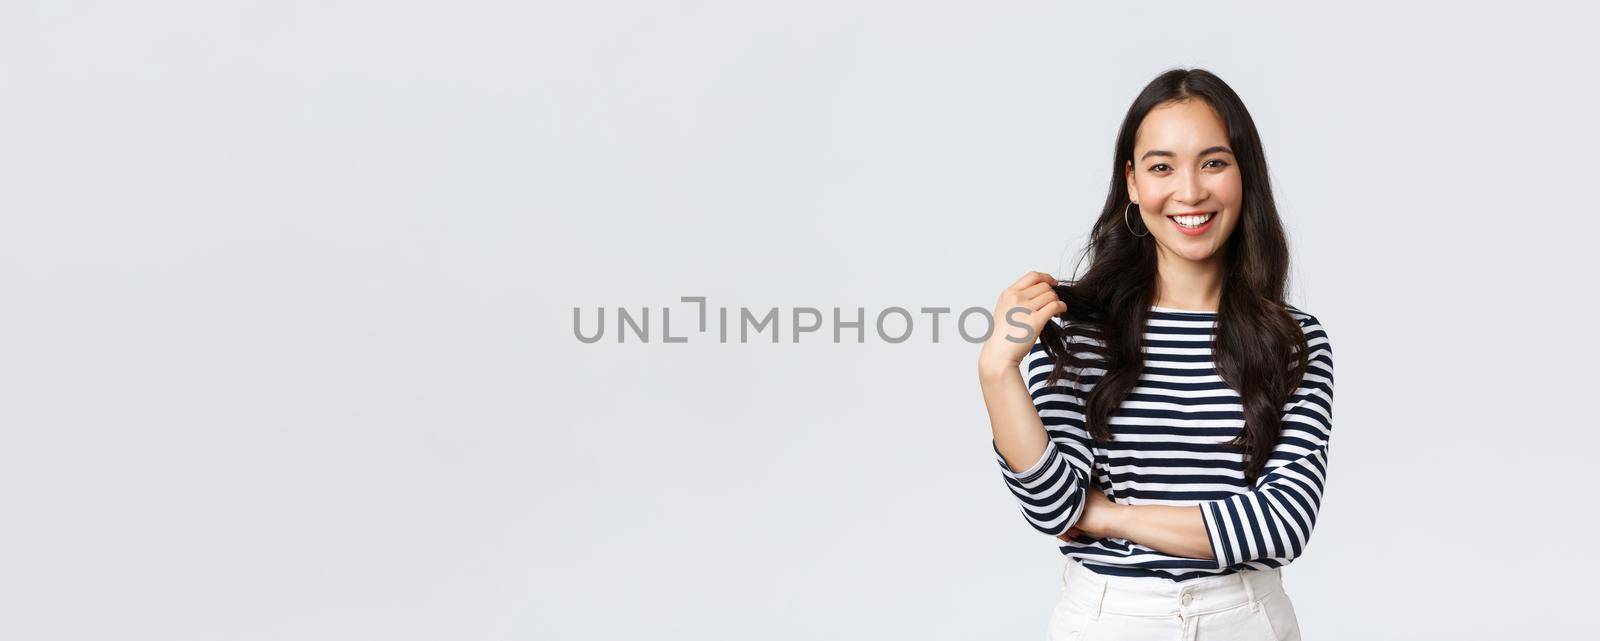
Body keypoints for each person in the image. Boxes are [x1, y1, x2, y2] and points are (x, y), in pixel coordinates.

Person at [978, 68, 1333, 641]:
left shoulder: (1293, 339)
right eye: (1162, 166)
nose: (1189, 192)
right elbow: (1053, 508)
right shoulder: (1079, 332)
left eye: (1213, 163)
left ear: (1246, 175)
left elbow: (1283, 525)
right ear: (1133, 183)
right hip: (1109, 619)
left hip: (1246, 620)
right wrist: (997, 372)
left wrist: (1107, 515)